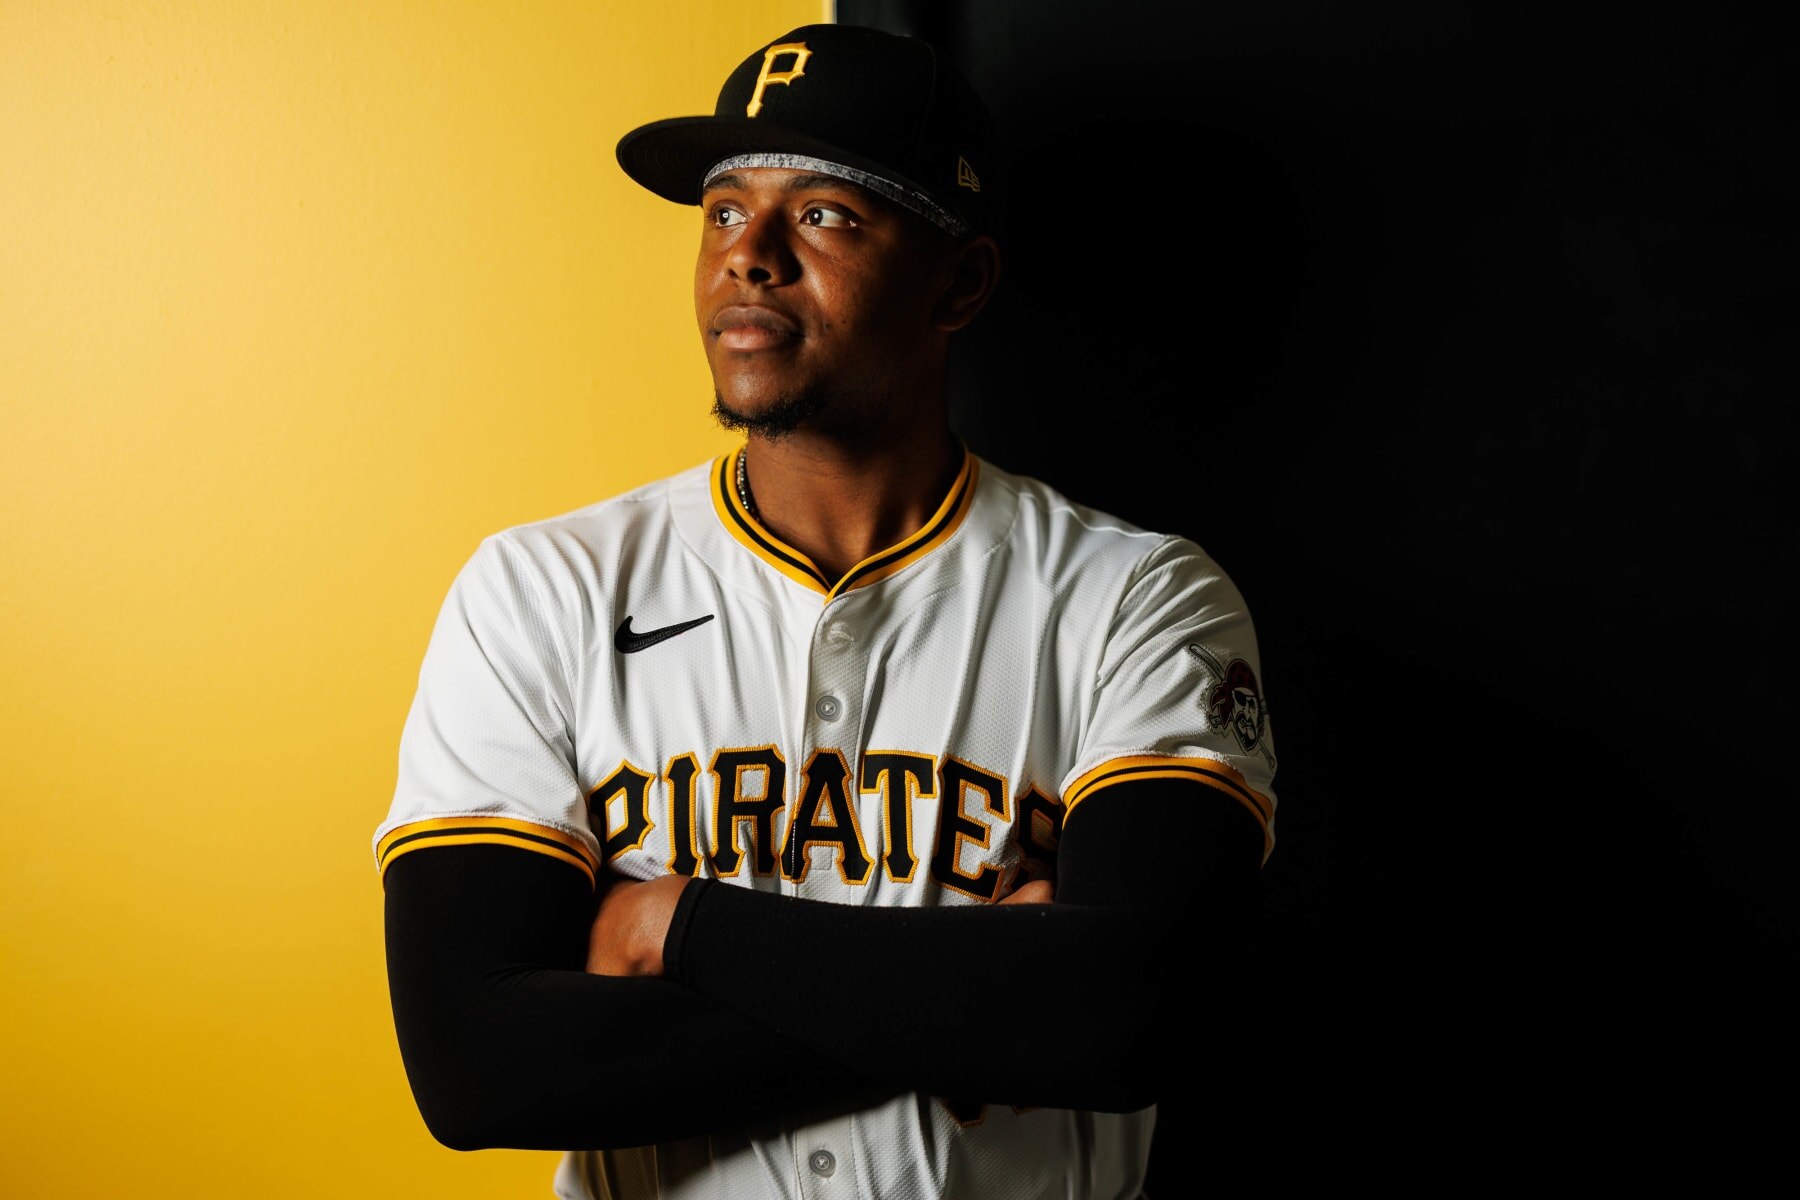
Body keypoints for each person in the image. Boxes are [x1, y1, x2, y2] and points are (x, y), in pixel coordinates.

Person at [374, 21, 1278, 1200]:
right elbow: (477, 1070)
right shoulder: (541, 592)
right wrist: (993, 992)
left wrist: (680, 928)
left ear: (959, 280)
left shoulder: (1134, 599)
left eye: (825, 215)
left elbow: (1134, 1018)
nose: (748, 256)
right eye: (721, 209)